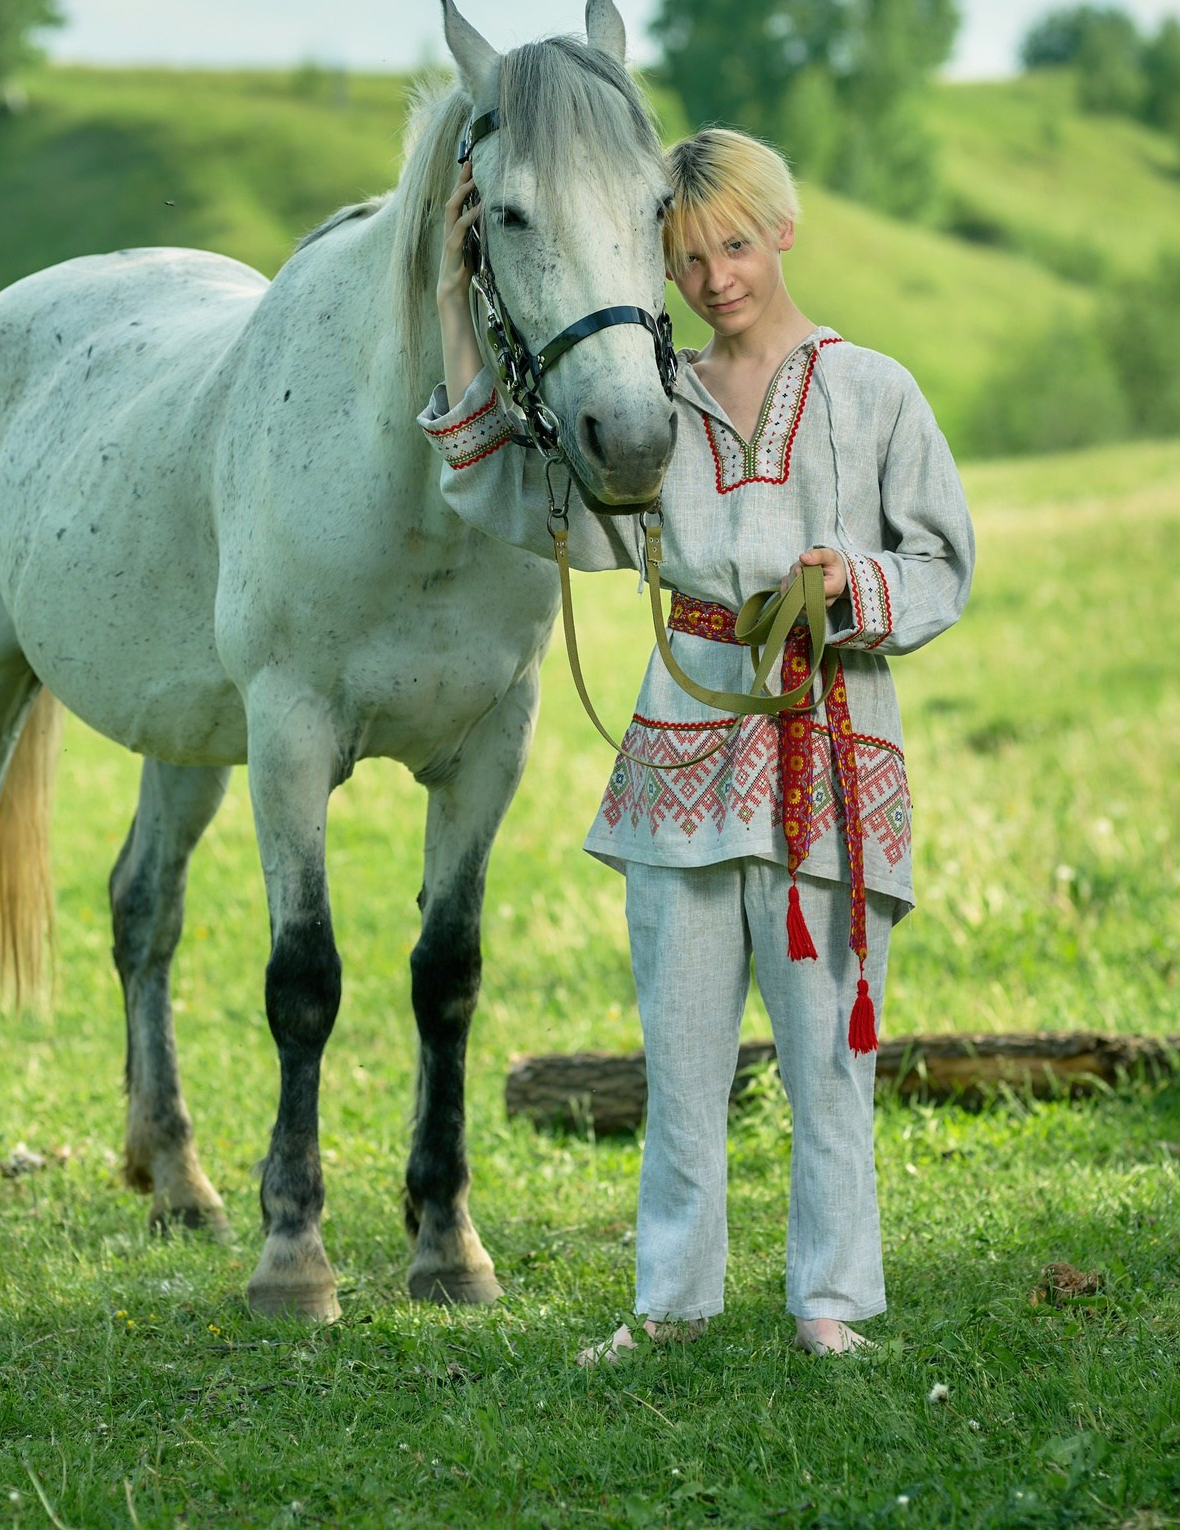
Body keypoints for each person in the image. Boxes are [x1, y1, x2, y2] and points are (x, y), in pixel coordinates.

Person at [417, 127, 975, 1360]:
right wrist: (463, 314)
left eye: (733, 244)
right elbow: (518, 494)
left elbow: (942, 562)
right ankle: (671, 1305)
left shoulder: (871, 388)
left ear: (780, 231)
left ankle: (830, 1304)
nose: (715, 276)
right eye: (686, 256)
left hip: (826, 744)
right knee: (680, 1051)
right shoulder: (649, 403)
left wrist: (853, 586)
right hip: (683, 755)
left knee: (829, 1050)